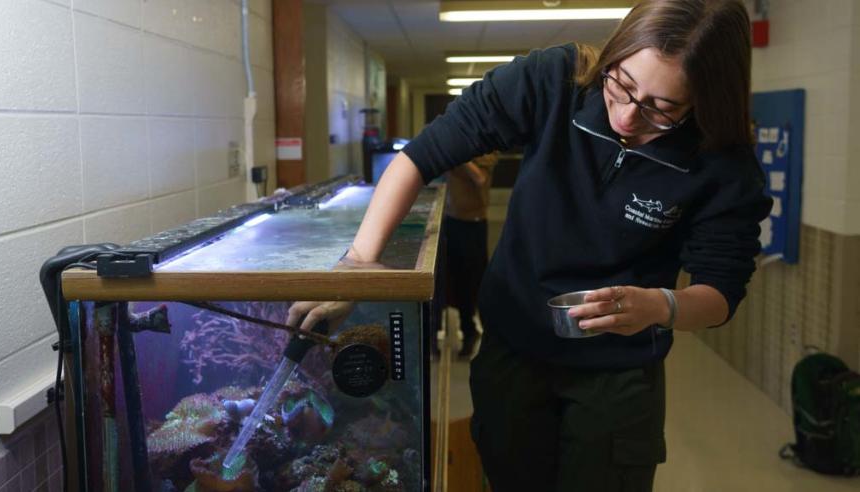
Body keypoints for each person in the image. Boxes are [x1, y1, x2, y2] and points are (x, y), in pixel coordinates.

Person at [290, 0, 773, 490]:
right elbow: (420, 157)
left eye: (661, 109)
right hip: (514, 347)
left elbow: (720, 294)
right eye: (622, 83)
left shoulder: (722, 163)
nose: (628, 116)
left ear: (703, 103)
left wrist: (661, 305)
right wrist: (355, 270)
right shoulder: (555, 81)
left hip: (619, 371)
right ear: (612, 55)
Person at [444, 152, 497, 357]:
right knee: (455, 281)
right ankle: (468, 330)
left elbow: (480, 178)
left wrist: (460, 156)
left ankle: (489, 336)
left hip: (473, 222)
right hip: (452, 219)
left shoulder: (486, 150)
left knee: (476, 281)